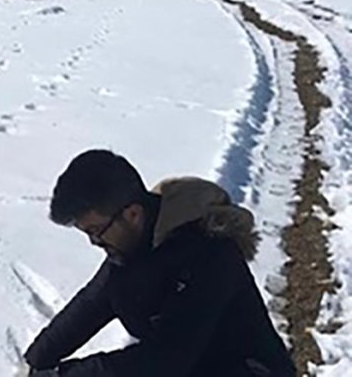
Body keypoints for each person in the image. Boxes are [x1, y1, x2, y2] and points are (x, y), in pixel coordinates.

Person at [23, 150, 296, 377]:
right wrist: (36, 361)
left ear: (132, 214)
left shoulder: (209, 253)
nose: (95, 242)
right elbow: (91, 305)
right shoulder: (131, 248)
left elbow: (166, 359)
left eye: (96, 230)